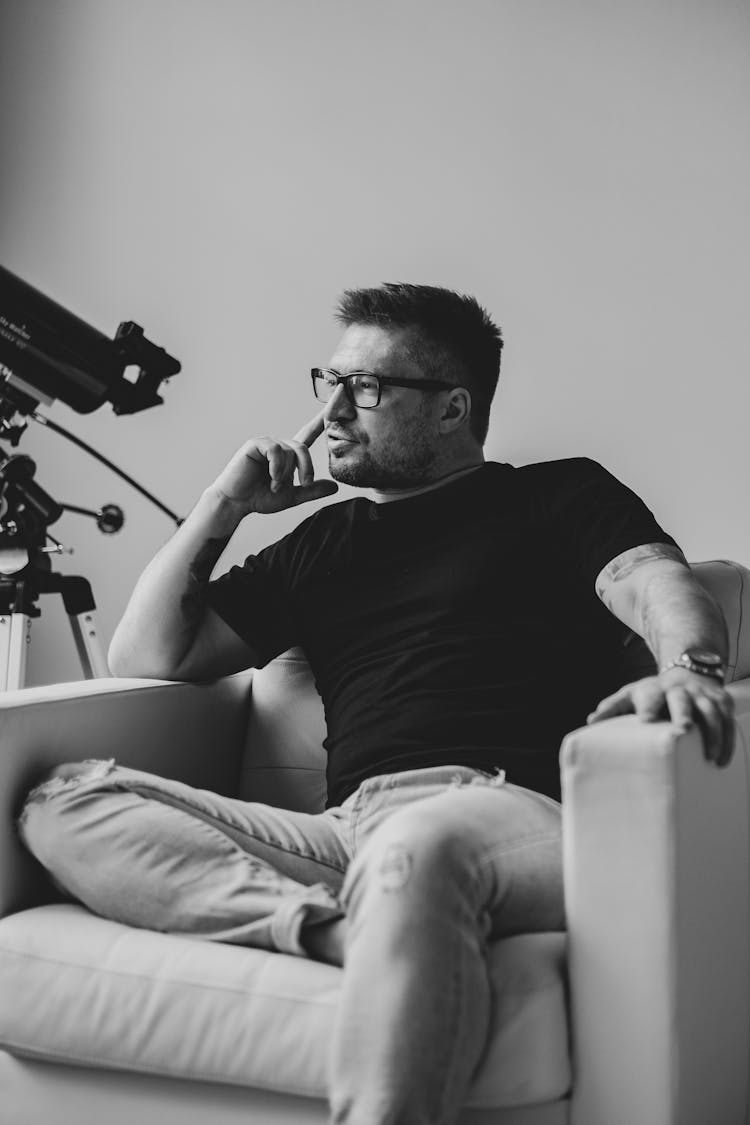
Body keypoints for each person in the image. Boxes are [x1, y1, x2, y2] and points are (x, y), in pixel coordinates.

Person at [18, 283, 735, 1125]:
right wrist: (225, 506)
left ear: (451, 408)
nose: (330, 412)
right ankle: (335, 929)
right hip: (349, 832)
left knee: (421, 851)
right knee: (63, 802)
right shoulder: (322, 543)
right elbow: (145, 653)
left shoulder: (553, 495)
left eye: (364, 387)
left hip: (507, 806)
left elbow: (656, 582)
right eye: (326, 381)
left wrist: (689, 667)